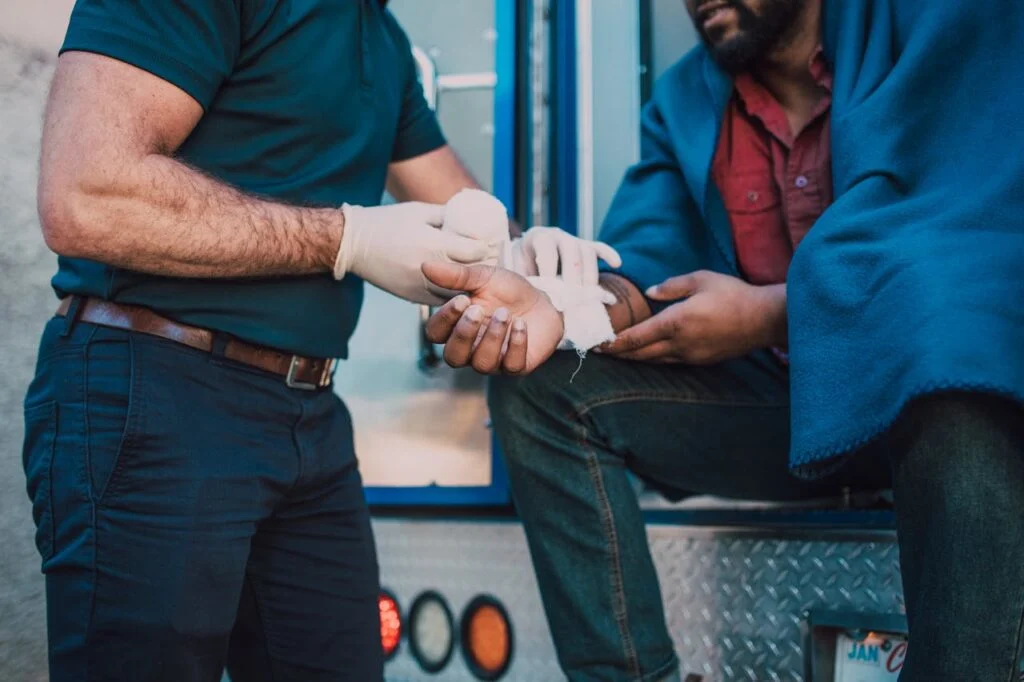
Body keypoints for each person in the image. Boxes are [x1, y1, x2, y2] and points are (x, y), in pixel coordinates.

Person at [423, 0, 1024, 680]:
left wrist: (771, 315)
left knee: (957, 364)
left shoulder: (943, 23)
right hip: (794, 422)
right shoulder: (684, 99)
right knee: (542, 390)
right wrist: (564, 311)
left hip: (937, 401)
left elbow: (972, 246)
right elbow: (646, 269)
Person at [20, 1, 614, 680]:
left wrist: (528, 261)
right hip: (156, 392)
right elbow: (85, 195)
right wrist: (346, 238)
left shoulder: (382, 38)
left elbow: (466, 223)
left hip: (309, 415)